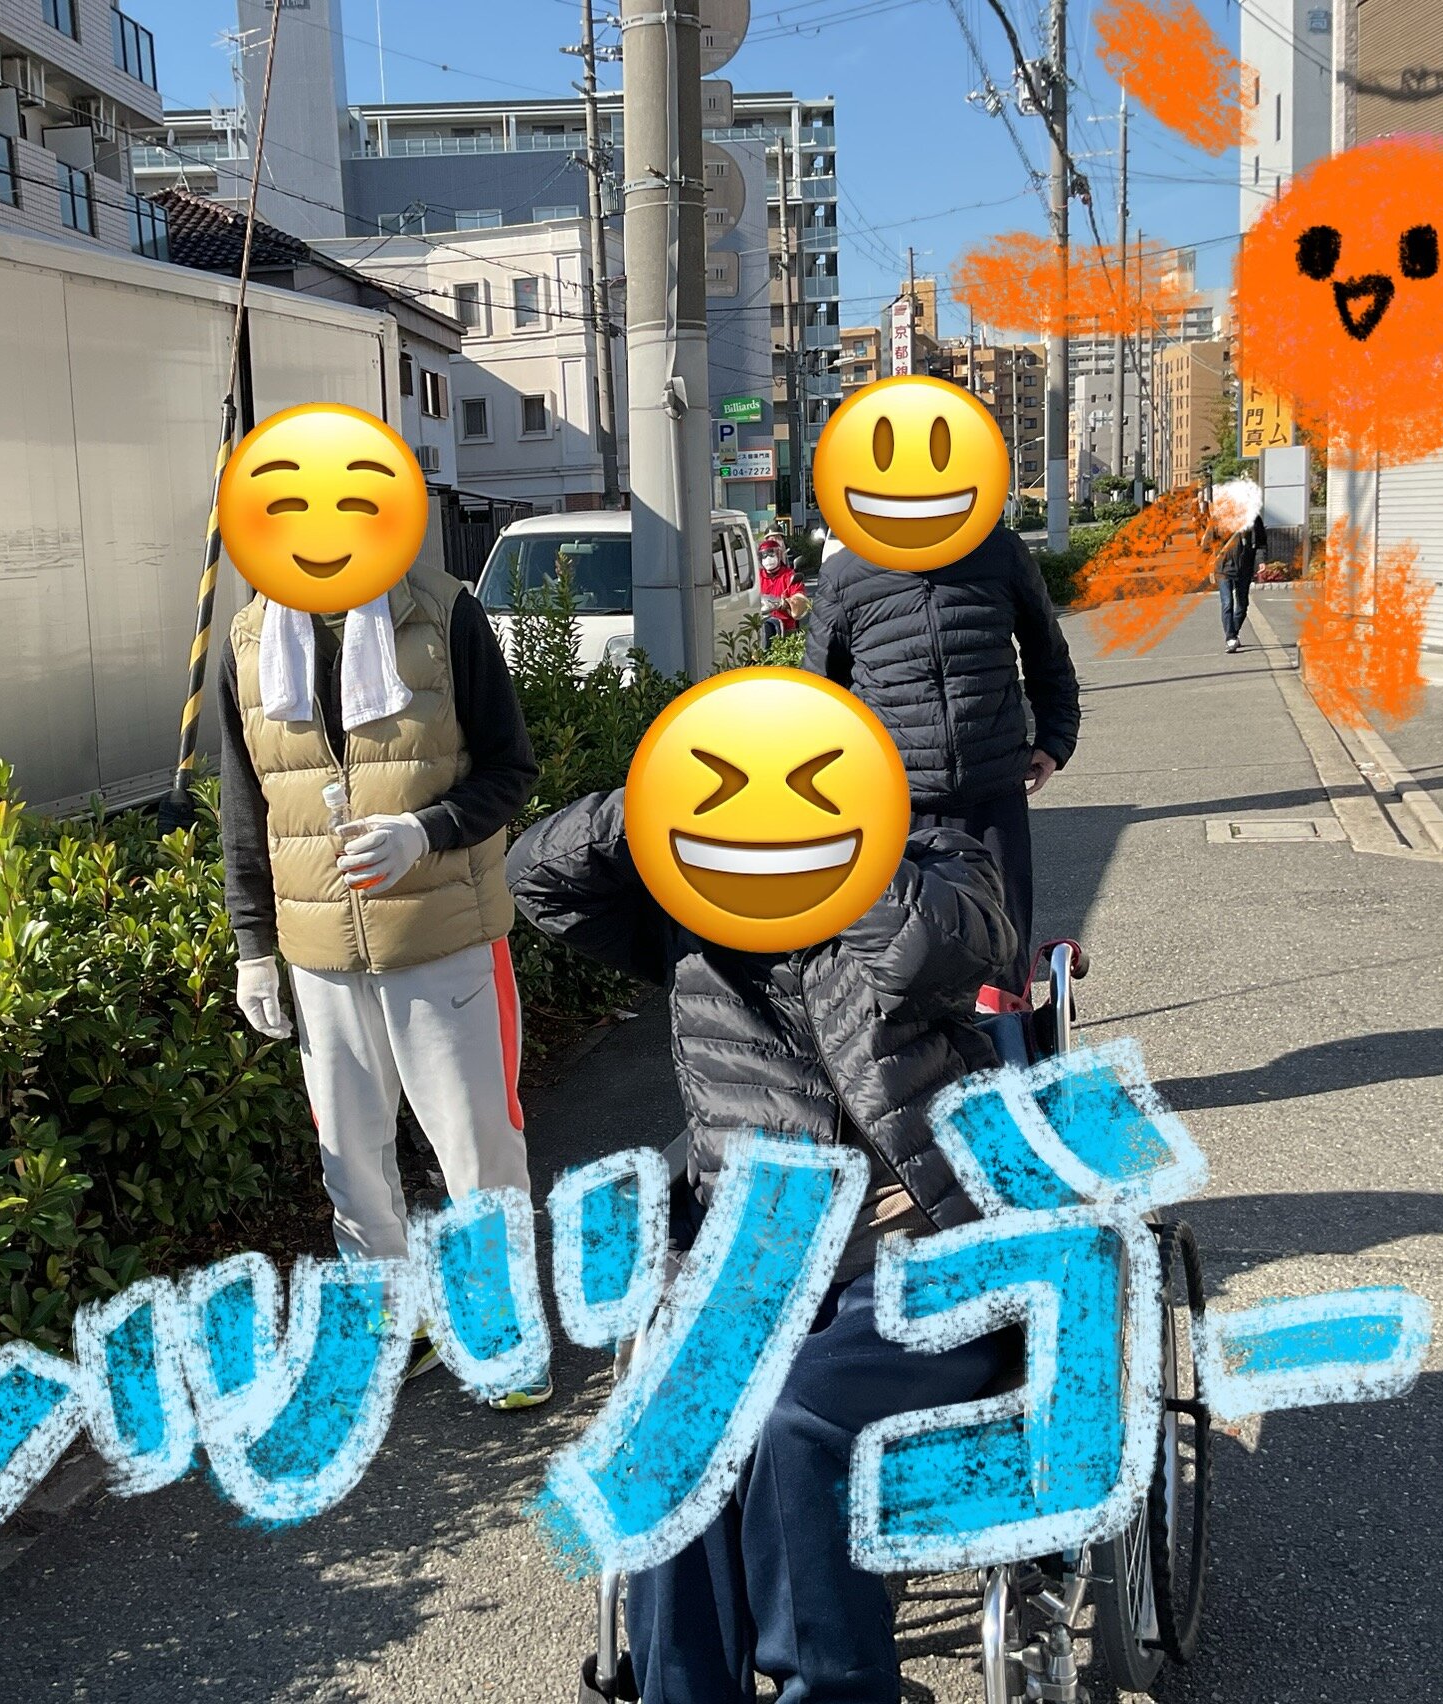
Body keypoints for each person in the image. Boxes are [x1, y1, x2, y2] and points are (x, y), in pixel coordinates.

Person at [507, 790, 1019, 1704]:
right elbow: (538, 877)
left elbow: (941, 948)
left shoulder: (936, 857)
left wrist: (835, 855)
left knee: (795, 1418)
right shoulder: (694, 903)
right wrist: (663, 800)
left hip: (923, 1244)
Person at [214, 558, 549, 1407]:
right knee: (351, 1157)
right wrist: (254, 946)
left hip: (446, 935)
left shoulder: (443, 613)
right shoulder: (248, 641)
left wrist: (424, 830)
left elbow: (511, 768)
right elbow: (244, 809)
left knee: (477, 1147)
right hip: (317, 950)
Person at [803, 523, 1080, 997]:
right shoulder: (846, 575)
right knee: (908, 963)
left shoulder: (999, 551)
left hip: (993, 794)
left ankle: (1007, 1041)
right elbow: (819, 697)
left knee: (1002, 955)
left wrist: (1055, 741)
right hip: (896, 803)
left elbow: (1047, 653)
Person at [1218, 506, 1269, 653]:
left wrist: (1261, 560)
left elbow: (1261, 542)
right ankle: (1230, 638)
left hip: (1244, 568)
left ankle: (1233, 633)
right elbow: (1210, 541)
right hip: (1223, 568)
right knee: (1227, 603)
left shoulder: (1254, 518)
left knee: (1242, 605)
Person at [755, 537, 810, 646]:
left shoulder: (790, 576)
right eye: (764, 555)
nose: (768, 558)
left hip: (786, 629)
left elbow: (800, 599)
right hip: (760, 628)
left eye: (771, 554)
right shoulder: (757, 577)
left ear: (779, 554)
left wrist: (785, 603)